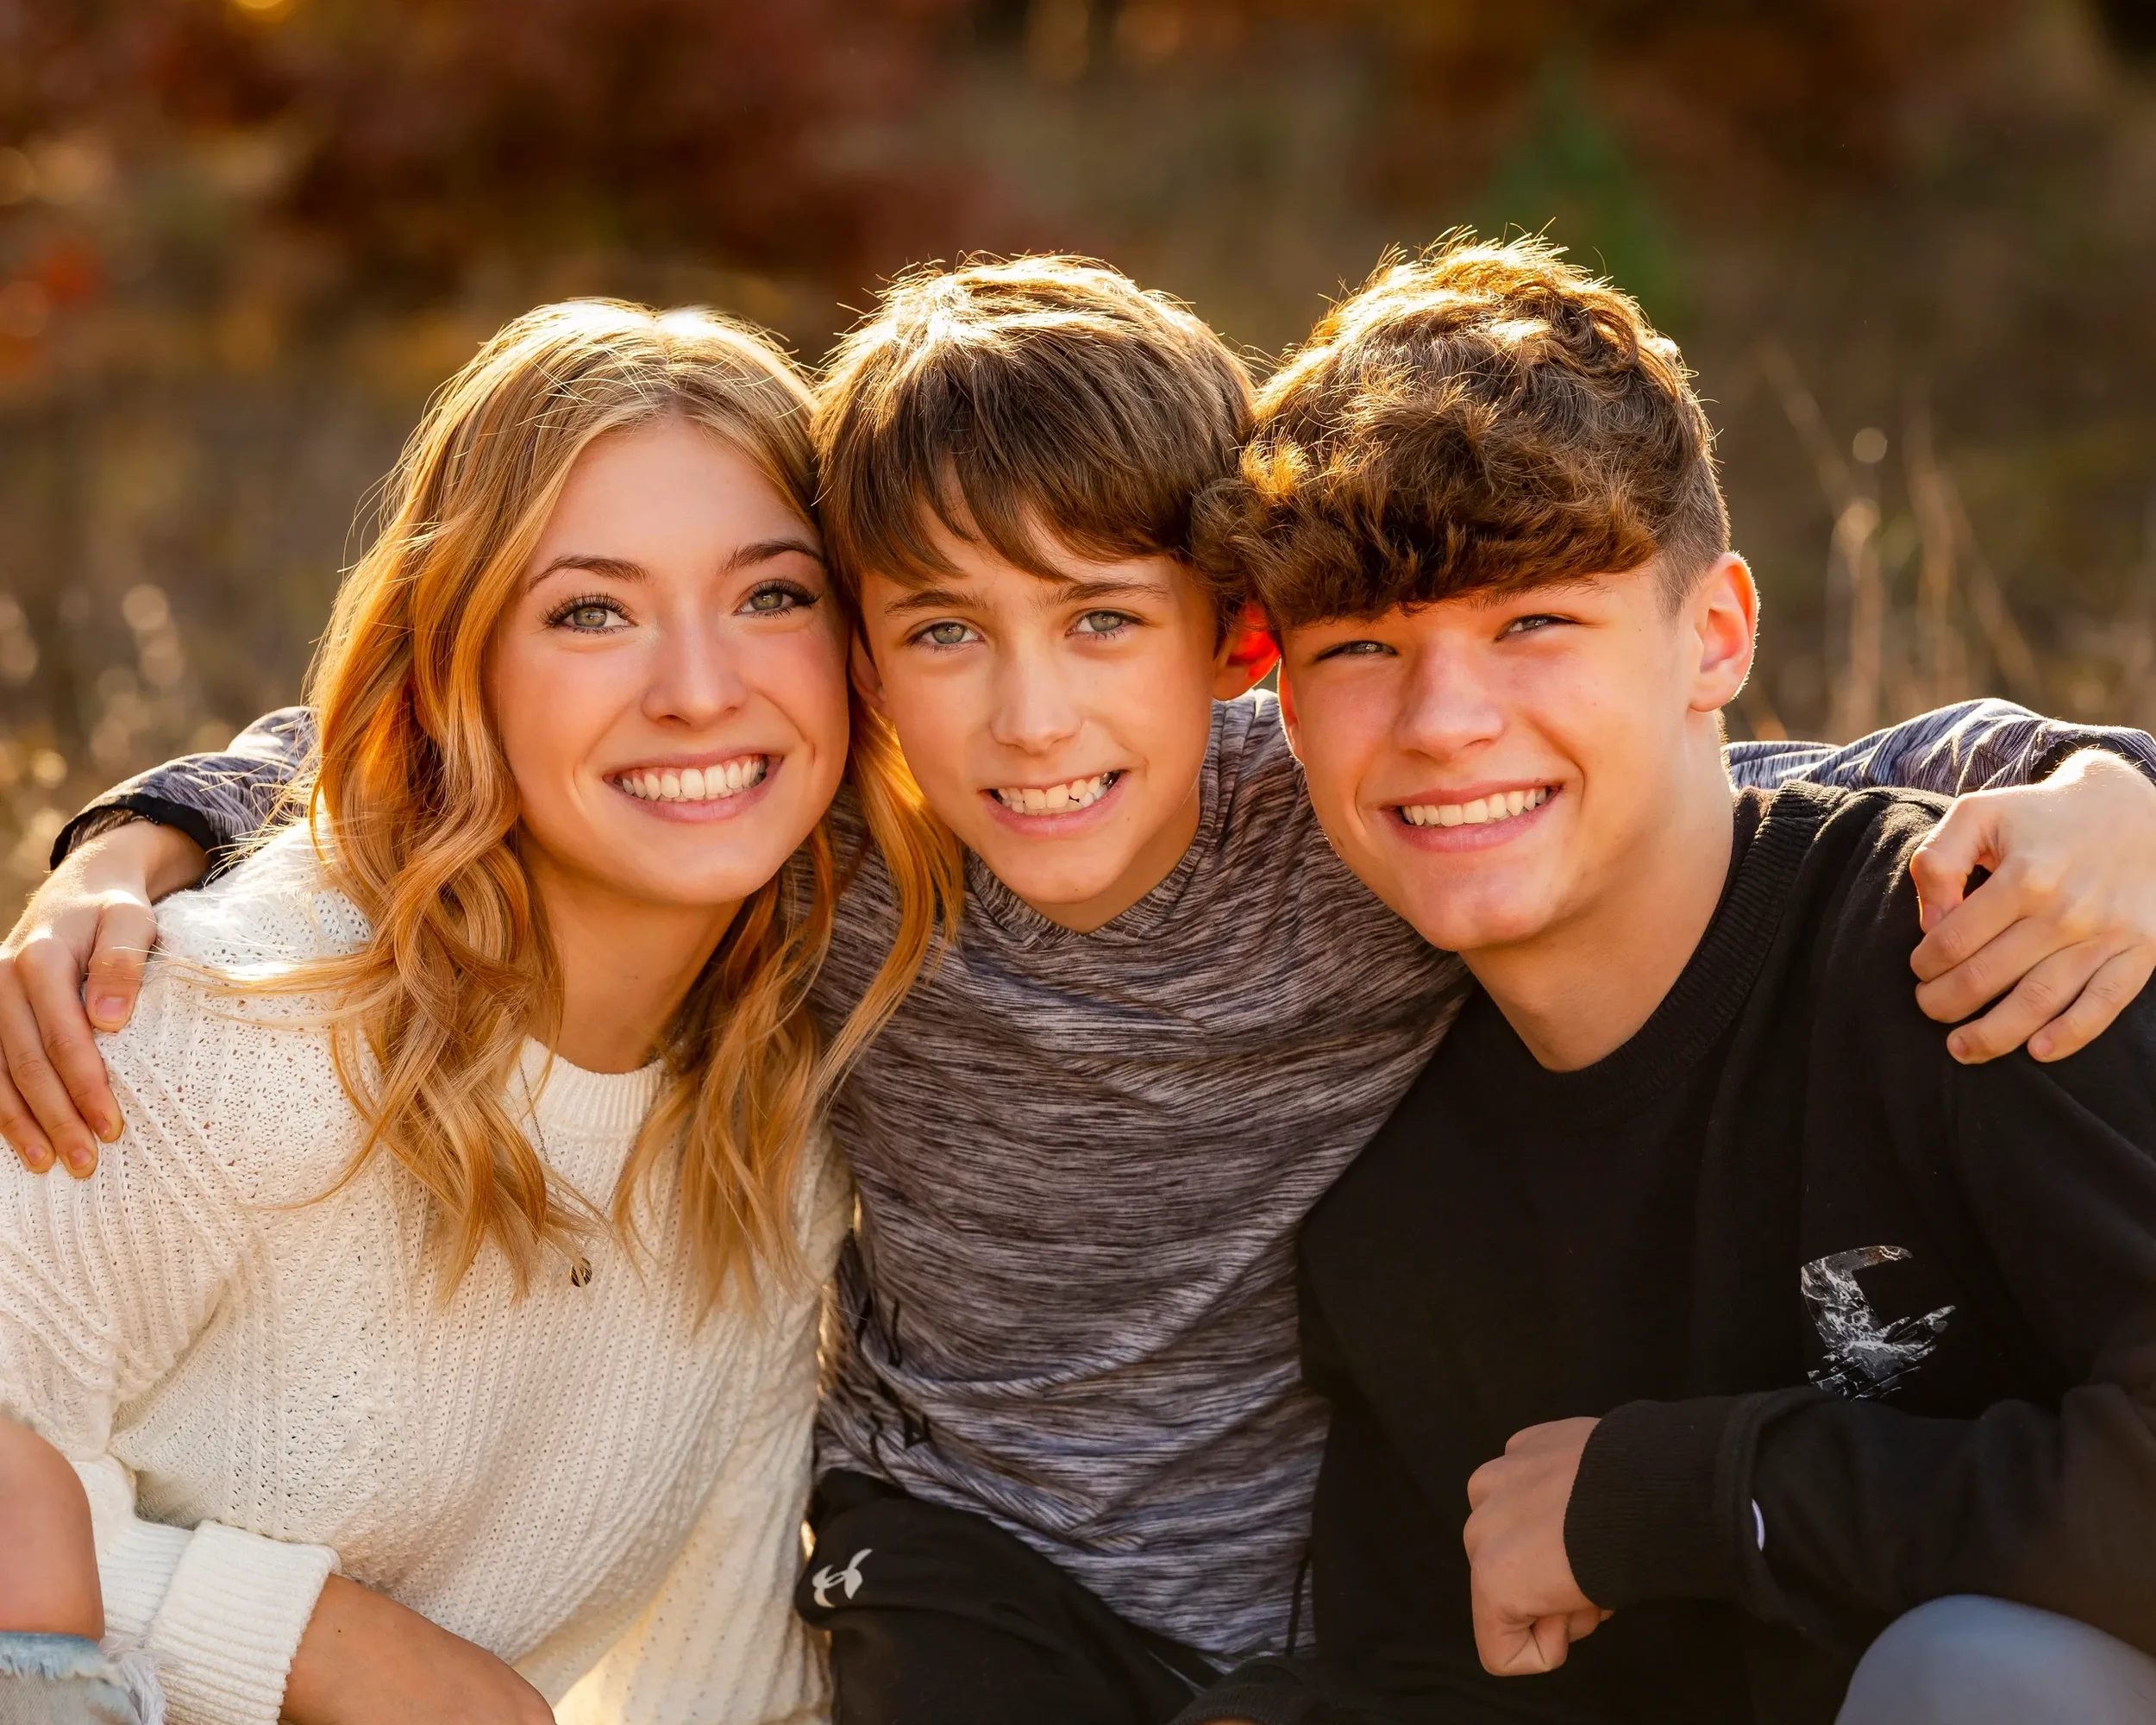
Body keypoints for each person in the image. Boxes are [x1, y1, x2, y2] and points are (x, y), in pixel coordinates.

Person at [15, 257, 2156, 1725]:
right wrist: (142, 832)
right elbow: (477, 730)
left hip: (1308, 1580)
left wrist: (2101, 785)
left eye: (1096, 623)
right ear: (859, 658)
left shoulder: (1347, 828)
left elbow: (1740, 792)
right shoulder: (843, 850)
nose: (1028, 720)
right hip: (960, 1547)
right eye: (936, 633)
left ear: (1220, 640)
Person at [1175, 235, 2156, 1725]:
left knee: (1984, 1680)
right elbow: (1432, 1675)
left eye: (1533, 625)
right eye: (1364, 648)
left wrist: (1701, 1495)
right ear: (1284, 712)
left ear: (1715, 638)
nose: (1444, 721)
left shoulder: (1984, 954)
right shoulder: (1392, 1203)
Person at [0, 298, 957, 1725]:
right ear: (455, 667)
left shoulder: (776, 1128)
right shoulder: (208, 1023)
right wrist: (338, 1652)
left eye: (772, 595)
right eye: (591, 612)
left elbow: (719, 1683)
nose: (701, 690)